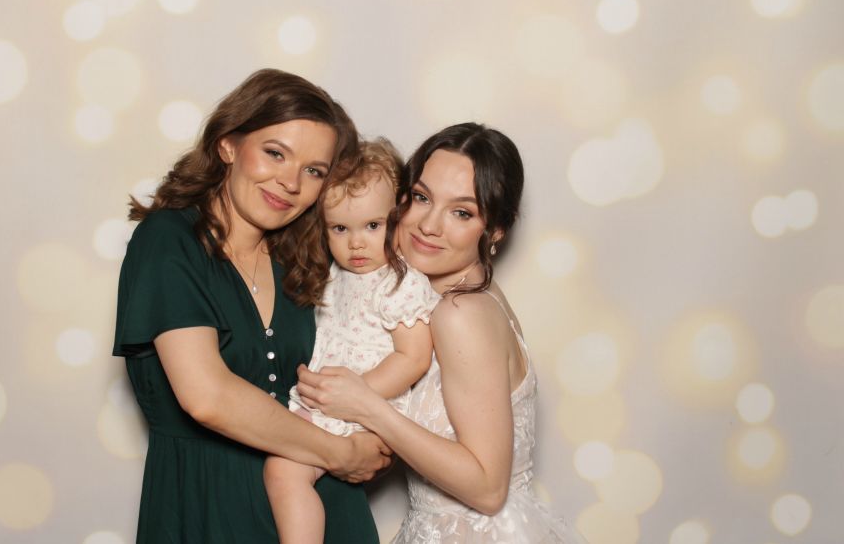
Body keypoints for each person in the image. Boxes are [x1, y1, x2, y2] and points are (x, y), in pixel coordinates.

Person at [113, 69, 391, 543]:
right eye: (275, 153)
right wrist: (342, 454)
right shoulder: (168, 241)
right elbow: (207, 397)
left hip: (323, 512)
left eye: (313, 171)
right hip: (205, 509)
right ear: (227, 145)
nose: (290, 182)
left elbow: (398, 325)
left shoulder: (308, 256)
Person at [297, 123, 585, 543]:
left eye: (461, 212)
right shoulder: (438, 299)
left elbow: (488, 489)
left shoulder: (460, 314)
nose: (429, 225)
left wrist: (367, 407)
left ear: (496, 230)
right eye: (422, 198)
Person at [264, 139, 440, 543]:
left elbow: (413, 358)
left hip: (365, 410)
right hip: (328, 405)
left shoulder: (400, 282)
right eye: (340, 229)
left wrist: (357, 394)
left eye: (372, 226)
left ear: (398, 215)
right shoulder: (336, 275)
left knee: (282, 469)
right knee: (277, 467)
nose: (356, 243)